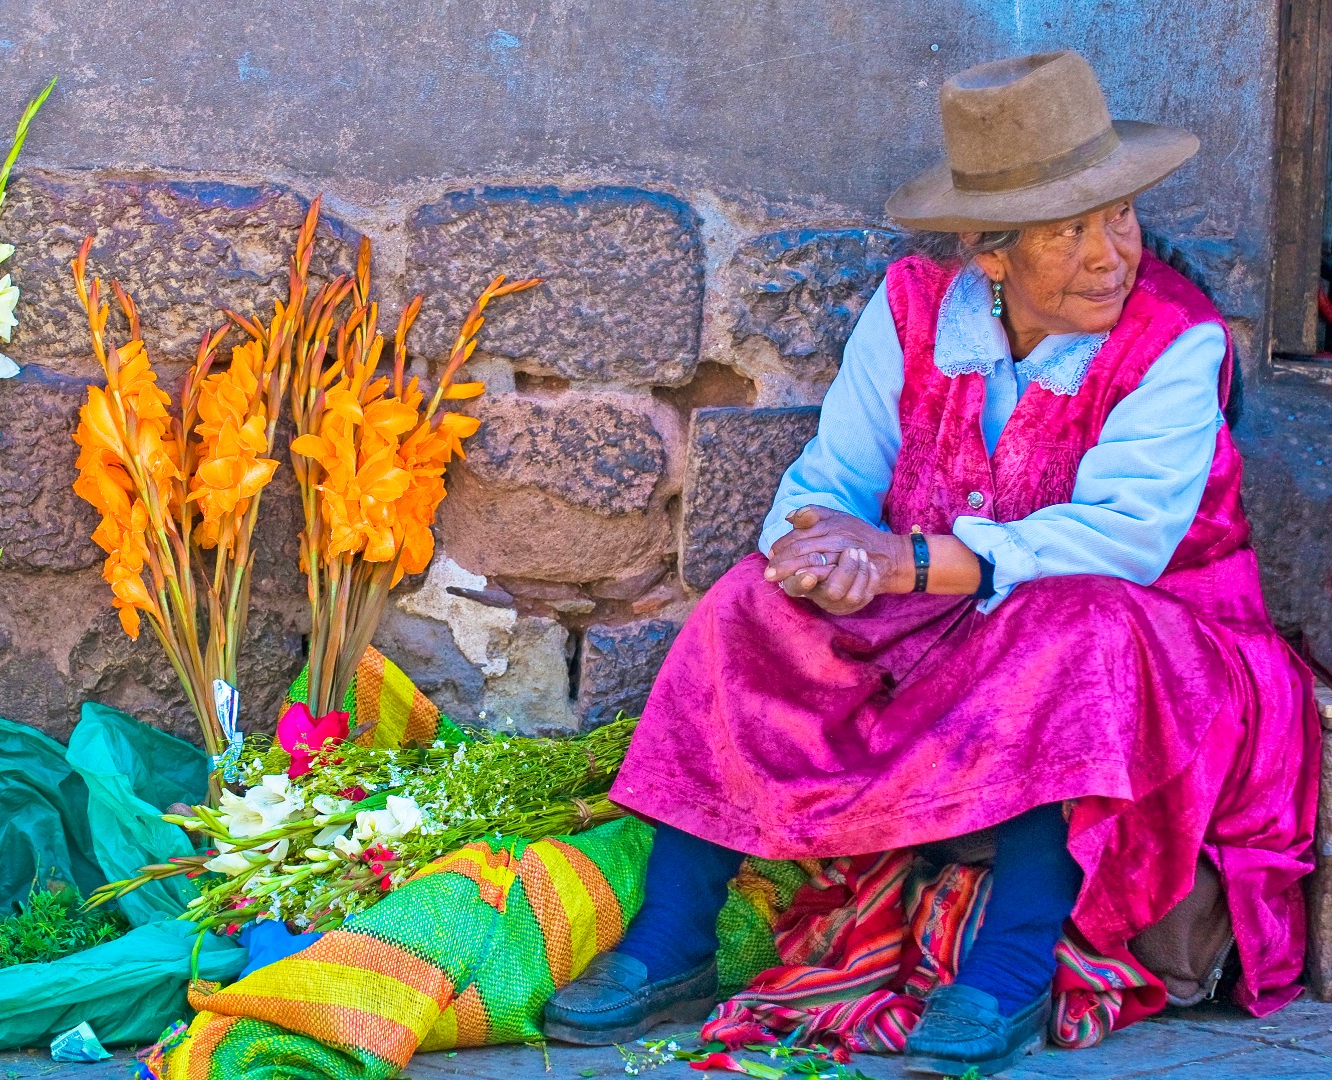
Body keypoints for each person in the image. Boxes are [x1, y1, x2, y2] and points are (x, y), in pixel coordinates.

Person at [542, 51, 1319, 1076]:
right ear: (988, 254)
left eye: (1119, 216)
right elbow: (840, 470)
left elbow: (1122, 539)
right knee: (745, 605)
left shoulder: (1176, 340)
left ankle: (1010, 966)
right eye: (1067, 230)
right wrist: (819, 546)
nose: (1109, 254)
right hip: (947, 625)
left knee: (1072, 626)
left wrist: (905, 562)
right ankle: (673, 938)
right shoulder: (915, 310)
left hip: (1163, 650)